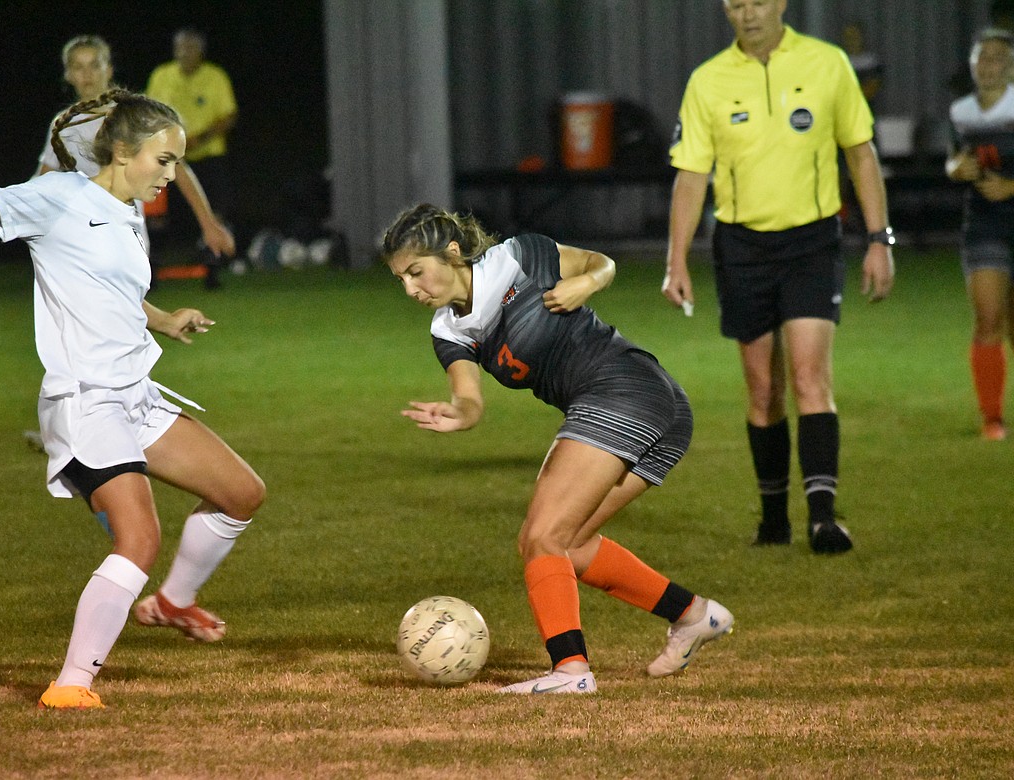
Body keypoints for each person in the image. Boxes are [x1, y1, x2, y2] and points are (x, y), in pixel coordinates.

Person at [0, 89, 266, 709]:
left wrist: (164, 319)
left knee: (241, 493)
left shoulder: (127, 208)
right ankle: (71, 686)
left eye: (177, 163)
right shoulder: (60, 198)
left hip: (136, 394)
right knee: (138, 539)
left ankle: (173, 601)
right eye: (163, 160)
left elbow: (112, 291)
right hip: (87, 401)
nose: (171, 174)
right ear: (123, 151)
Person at [381, 203, 734, 695]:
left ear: (453, 252)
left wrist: (587, 284)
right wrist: (461, 413)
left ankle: (570, 671)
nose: (411, 288)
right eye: (401, 278)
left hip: (626, 387)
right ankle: (695, 615)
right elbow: (469, 396)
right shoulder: (450, 329)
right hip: (641, 404)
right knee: (568, 544)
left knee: (541, 537)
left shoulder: (517, 258)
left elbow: (599, 263)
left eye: (416, 271)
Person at [662, 0, 895, 555]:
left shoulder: (827, 63)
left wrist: (879, 240)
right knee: (763, 390)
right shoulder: (708, 81)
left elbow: (861, 155)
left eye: (758, 1)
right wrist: (677, 260)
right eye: (737, 4)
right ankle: (773, 517)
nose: (748, 13)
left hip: (812, 241)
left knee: (812, 377)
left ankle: (822, 518)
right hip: (742, 247)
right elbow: (691, 177)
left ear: (781, 3)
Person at [36, 35, 235, 285]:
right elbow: (43, 181)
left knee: (120, 316)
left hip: (127, 242)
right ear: (68, 75)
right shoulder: (63, 125)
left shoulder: (133, 118)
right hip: (82, 242)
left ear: (108, 70)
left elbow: (179, 169)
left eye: (94, 65)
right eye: (78, 67)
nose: (87, 74)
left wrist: (209, 225)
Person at [946, 29, 1014, 441]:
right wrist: (957, 170)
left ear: (1011, 66)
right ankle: (992, 418)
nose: (988, 64)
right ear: (972, 65)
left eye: (997, 57)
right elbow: (955, 159)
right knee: (987, 317)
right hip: (985, 224)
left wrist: (1011, 187)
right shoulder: (961, 112)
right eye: (981, 57)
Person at [146, 28, 239, 289]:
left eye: (189, 48)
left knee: (214, 212)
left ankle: (212, 269)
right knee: (156, 213)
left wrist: (200, 138)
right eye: (179, 48)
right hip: (167, 157)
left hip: (207, 155)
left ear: (201, 51)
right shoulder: (162, 75)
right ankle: (150, 269)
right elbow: (148, 112)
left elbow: (229, 115)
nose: (183, 53)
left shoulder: (215, 77)